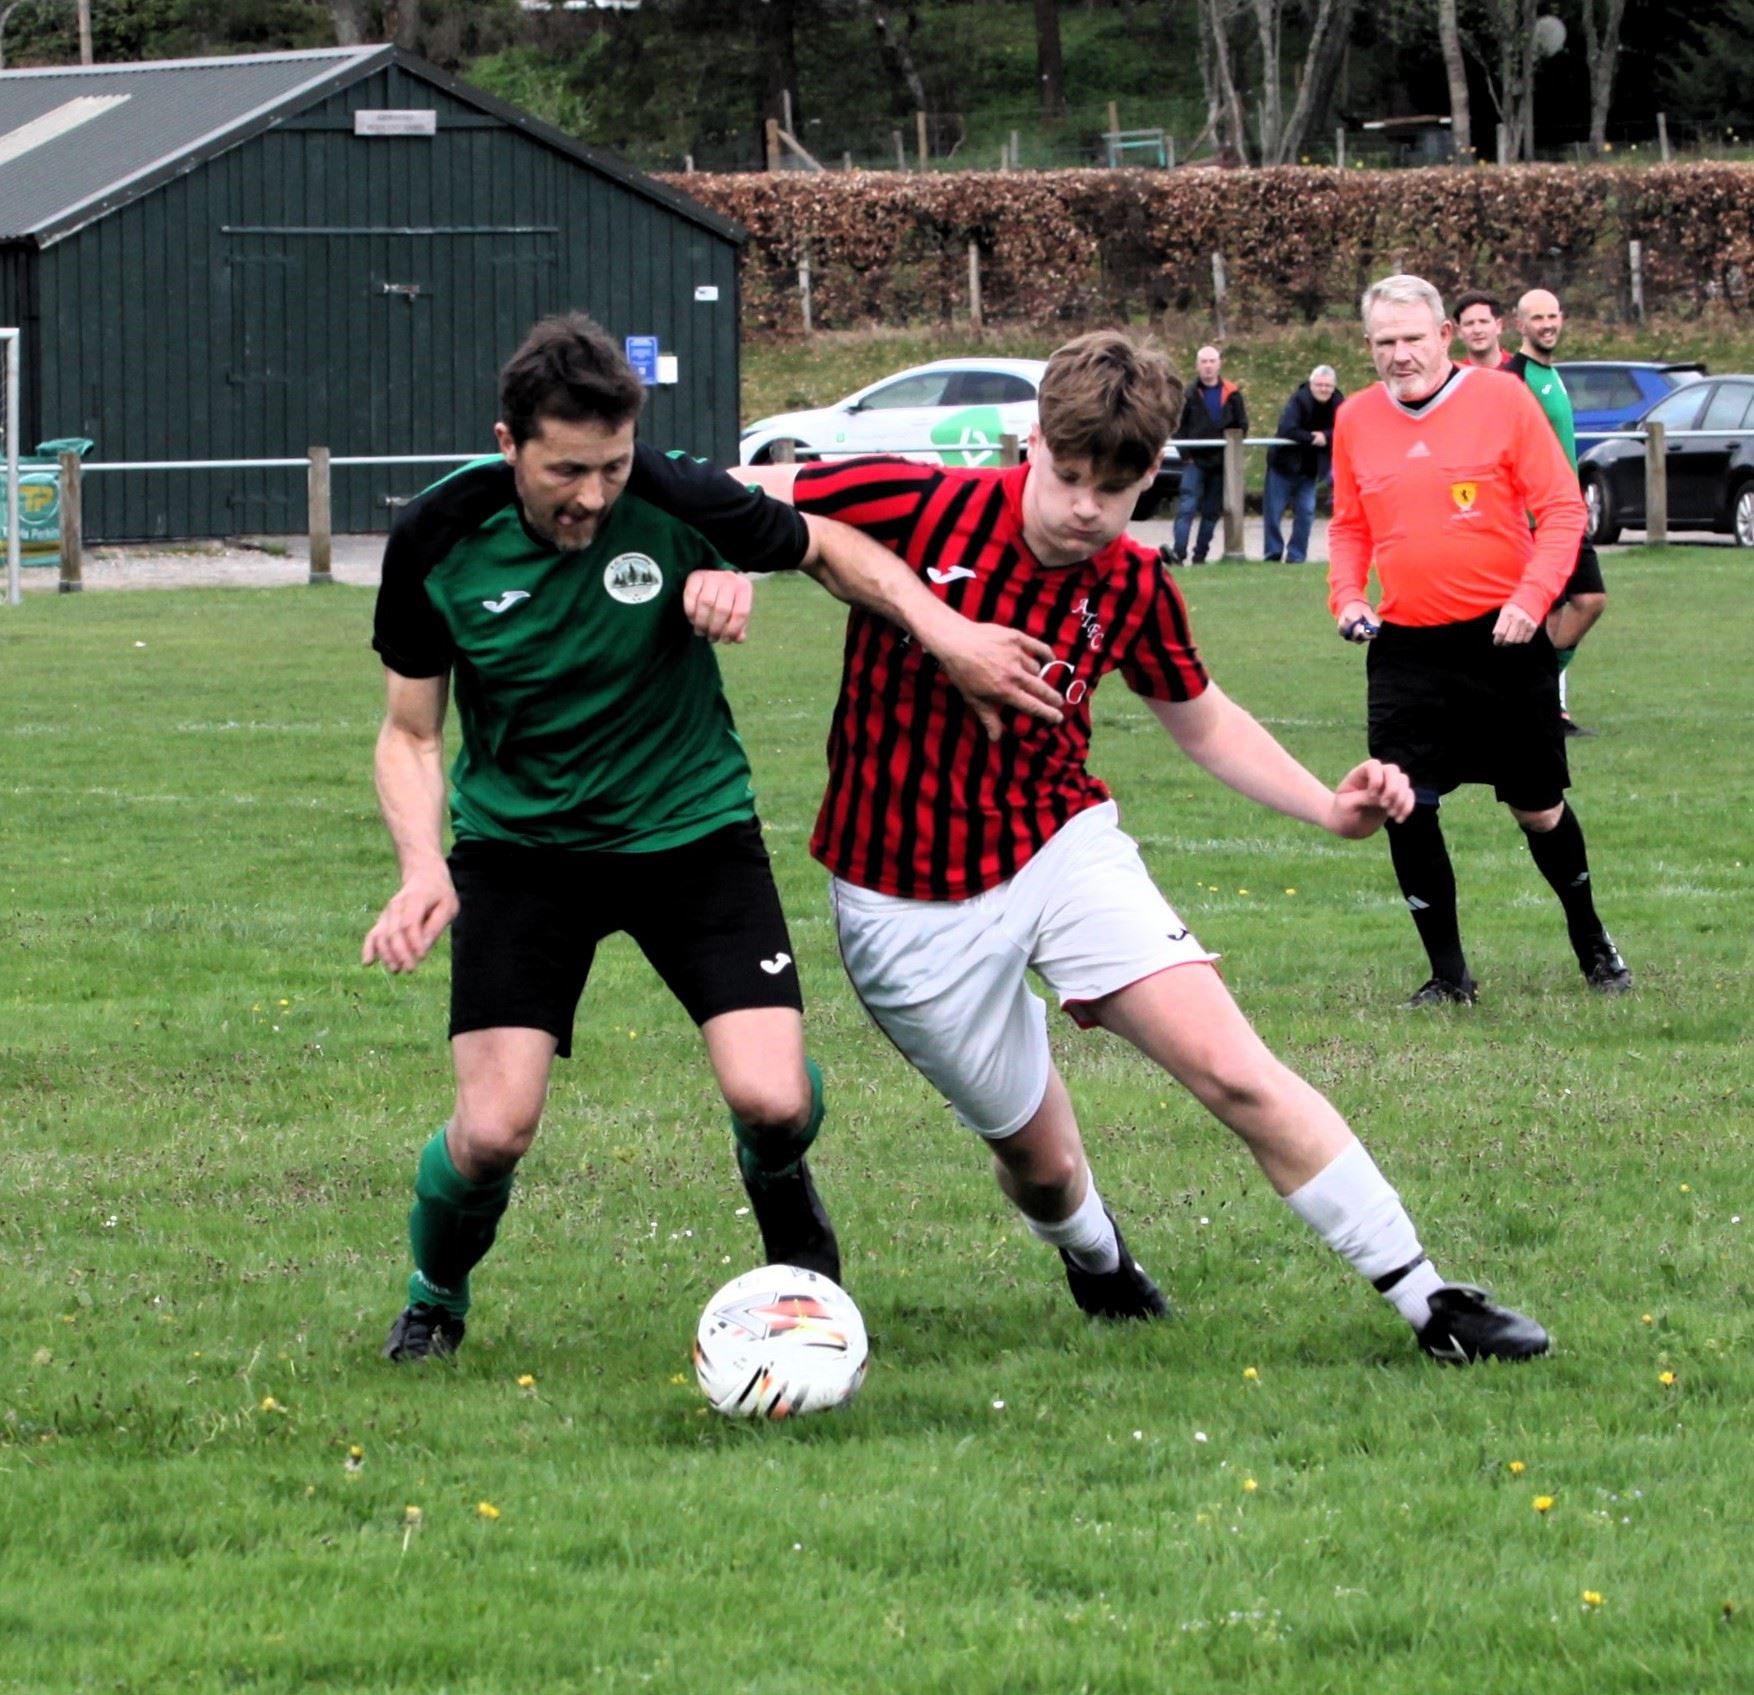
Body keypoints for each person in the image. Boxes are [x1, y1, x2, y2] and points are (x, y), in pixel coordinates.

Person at [746, 329, 1548, 1365]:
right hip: (902, 900)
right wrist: (705, 575)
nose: (1085, 507)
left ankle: (1428, 1299)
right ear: (1027, 442)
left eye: (1114, 489)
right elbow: (724, 491)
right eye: (1069, 476)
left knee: (1235, 1068)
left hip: (1059, 848)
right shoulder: (919, 502)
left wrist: (1324, 805)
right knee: (1038, 1167)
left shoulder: (1130, 584)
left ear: (1150, 478)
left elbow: (1201, 718)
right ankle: (1097, 1262)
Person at [363, 312, 1063, 1362]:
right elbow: (411, 733)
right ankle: (435, 1293)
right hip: (522, 852)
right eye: (566, 471)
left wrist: (942, 633)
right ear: (507, 444)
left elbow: (826, 546)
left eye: (610, 467)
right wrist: (424, 865)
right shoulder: (434, 533)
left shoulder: (673, 493)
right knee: (492, 1132)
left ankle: (779, 1182)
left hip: (689, 831)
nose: (593, 496)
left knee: (772, 1100)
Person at [1327, 274, 1632, 1008]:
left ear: (1443, 336)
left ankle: (1592, 940)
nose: (1401, 355)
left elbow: (1561, 512)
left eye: (1412, 339)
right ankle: (1449, 976)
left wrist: (1531, 600)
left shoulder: (1503, 399)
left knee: (1537, 808)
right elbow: (1349, 524)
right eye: (1385, 342)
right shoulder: (1356, 420)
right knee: (1406, 802)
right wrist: (1347, 596)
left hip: (1503, 640)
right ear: (1369, 347)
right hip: (1405, 648)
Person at [1506, 288, 1607, 737]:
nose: (1547, 324)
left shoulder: (1552, 372)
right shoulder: (1515, 377)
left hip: (1567, 513)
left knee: (1590, 601)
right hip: (1535, 519)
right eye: (1537, 318)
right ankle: (1536, 700)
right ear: (1520, 325)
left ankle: (1539, 681)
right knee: (1545, 612)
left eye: (1553, 316)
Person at [1167, 345, 1247, 565]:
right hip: (1194, 461)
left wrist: (1229, 456)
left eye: (1212, 361)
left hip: (1221, 463)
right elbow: (1177, 427)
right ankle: (1178, 554)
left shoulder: (1232, 394)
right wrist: (1186, 455)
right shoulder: (1188, 395)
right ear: (1197, 365)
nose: (1208, 366)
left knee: (1211, 512)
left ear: (1219, 364)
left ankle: (1200, 555)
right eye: (1204, 361)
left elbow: (1241, 426)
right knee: (1187, 508)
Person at [1262, 365, 1342, 563]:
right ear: (1311, 384)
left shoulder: (1338, 402)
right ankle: (1273, 552)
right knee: (1273, 513)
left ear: (1333, 387)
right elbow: (1287, 429)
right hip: (1283, 466)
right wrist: (1312, 438)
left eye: (1328, 386)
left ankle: (1297, 556)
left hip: (1309, 469)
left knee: (1306, 513)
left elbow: (1346, 426)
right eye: (1319, 385)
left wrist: (1326, 435)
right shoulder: (1298, 400)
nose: (1324, 389)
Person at [1453, 290, 1509, 370]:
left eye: (1483, 322)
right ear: (1459, 331)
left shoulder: (1521, 372)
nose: (1477, 330)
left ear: (1498, 326)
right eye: (1469, 323)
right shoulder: (1455, 378)